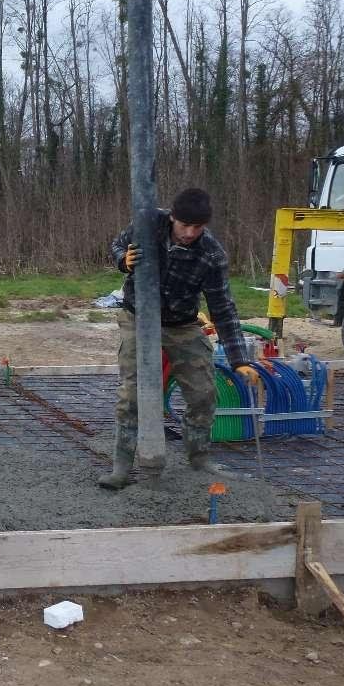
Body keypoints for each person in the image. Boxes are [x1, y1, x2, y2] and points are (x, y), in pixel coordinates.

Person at [100, 187, 260, 489]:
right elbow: (117, 245)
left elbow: (223, 307)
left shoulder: (211, 254)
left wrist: (239, 360)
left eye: (197, 227)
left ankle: (199, 459)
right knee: (131, 394)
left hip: (182, 324)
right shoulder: (148, 224)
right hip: (138, 318)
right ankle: (121, 467)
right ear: (172, 217)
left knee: (203, 392)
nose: (189, 232)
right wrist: (124, 260)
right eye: (184, 225)